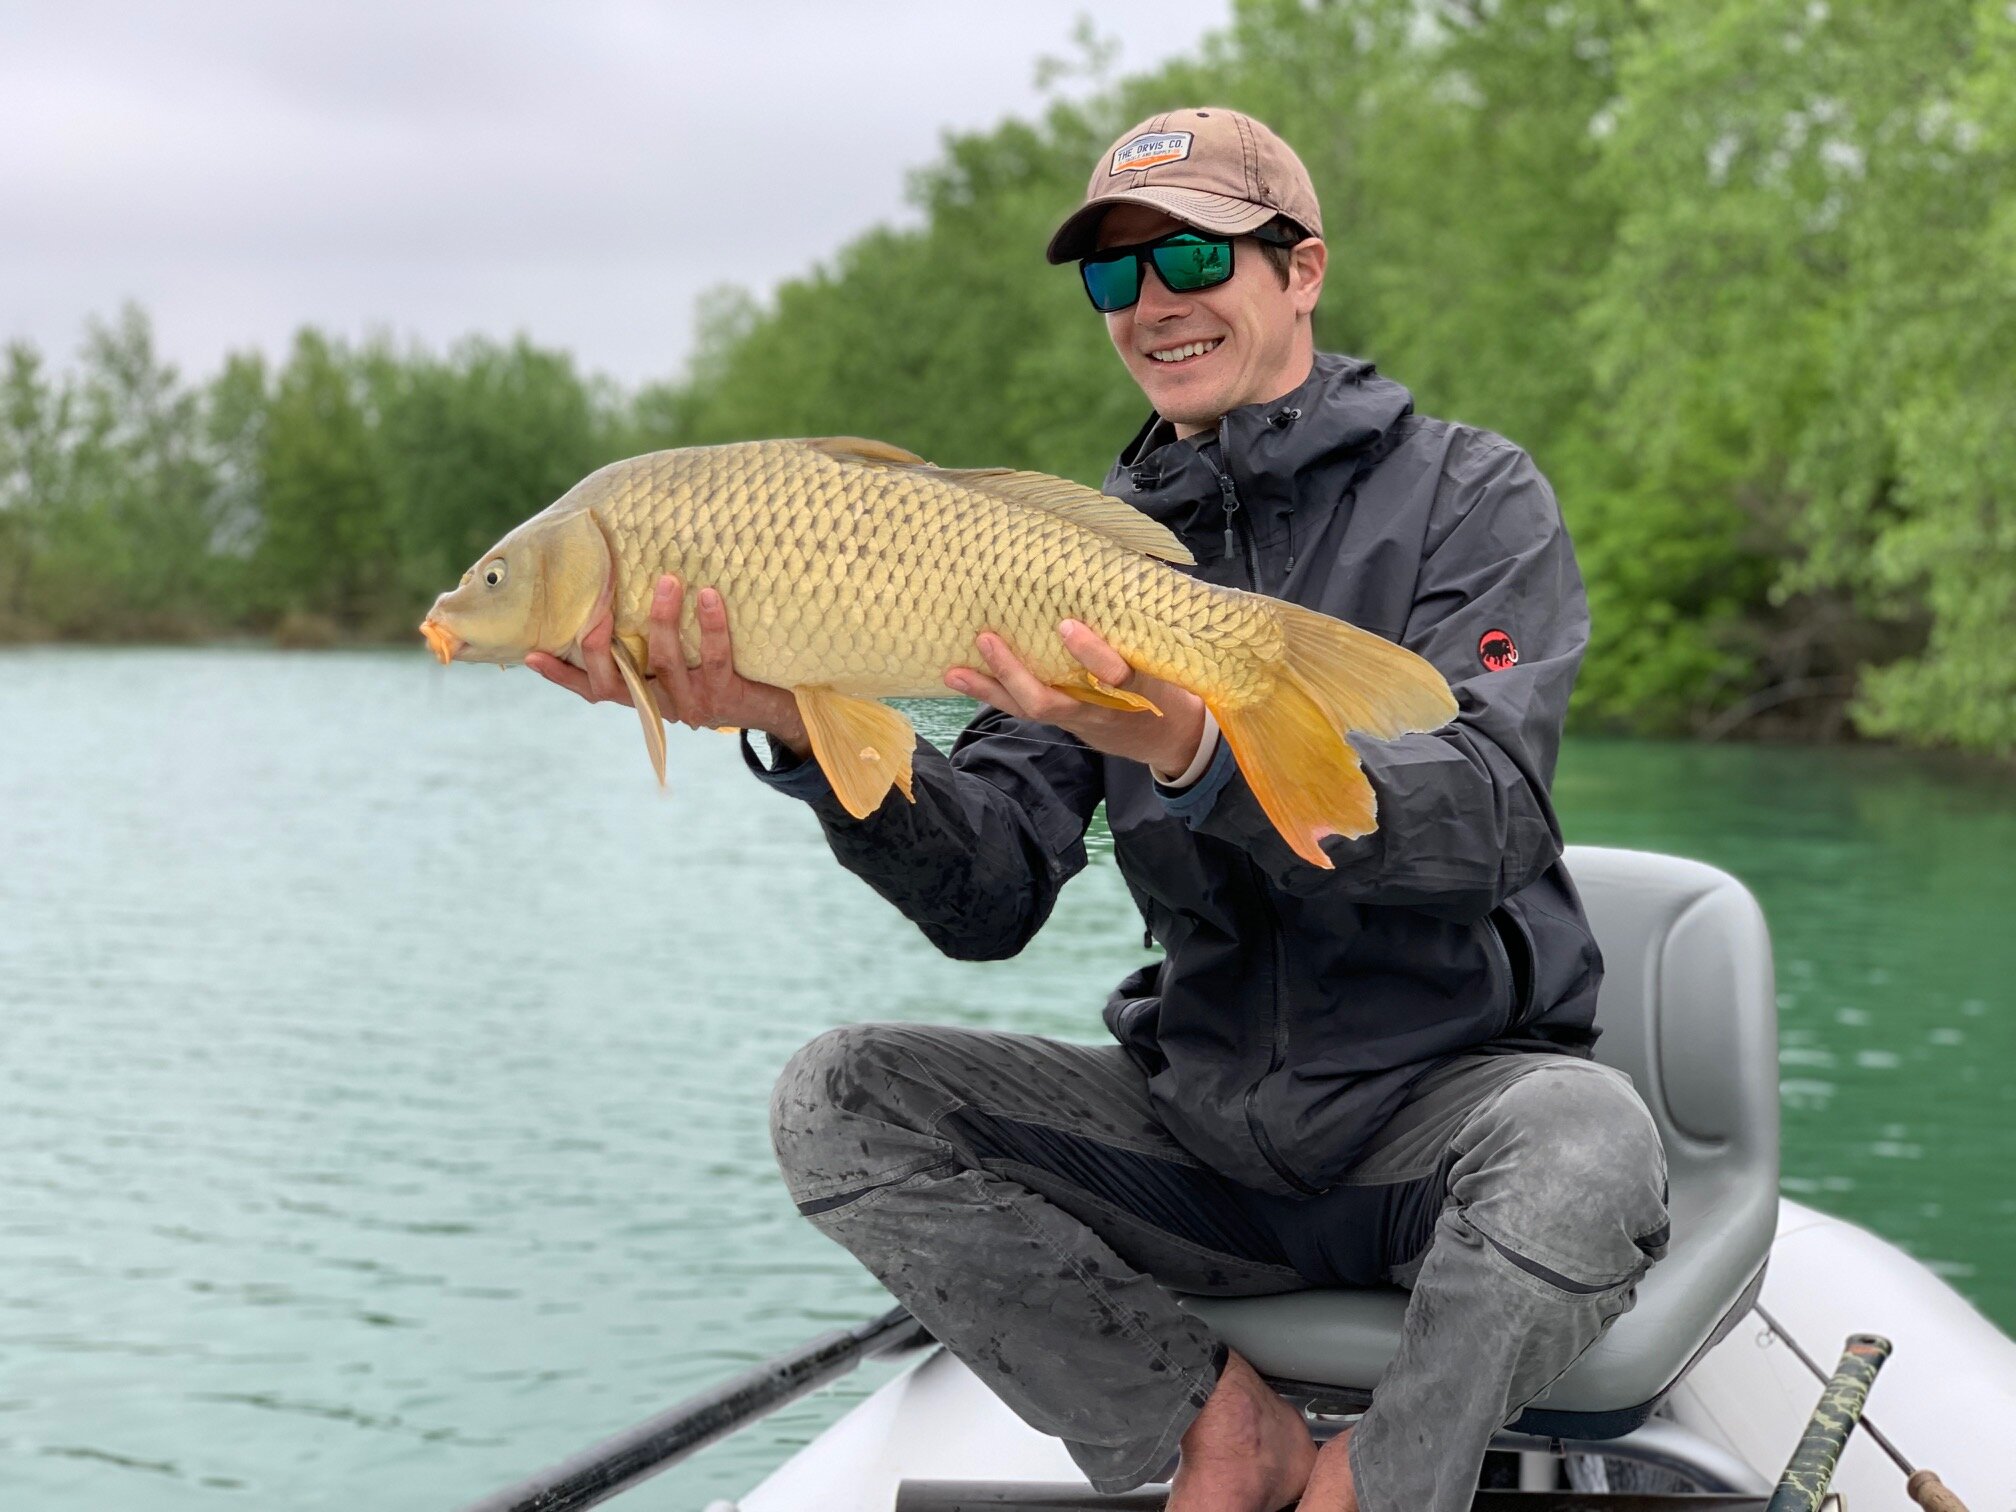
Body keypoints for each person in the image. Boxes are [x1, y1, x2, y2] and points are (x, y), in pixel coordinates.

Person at [530, 108, 1669, 1512]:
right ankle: (1210, 1430)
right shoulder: (1065, 547)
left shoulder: (1470, 497)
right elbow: (989, 890)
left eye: (1190, 255)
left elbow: (1489, 819)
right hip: (1197, 1133)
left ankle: (1376, 1480)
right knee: (841, 1099)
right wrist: (799, 730)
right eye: (1114, 276)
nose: (1152, 304)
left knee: (1590, 1146)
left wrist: (1201, 749)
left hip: (1436, 1124)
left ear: (1299, 270)